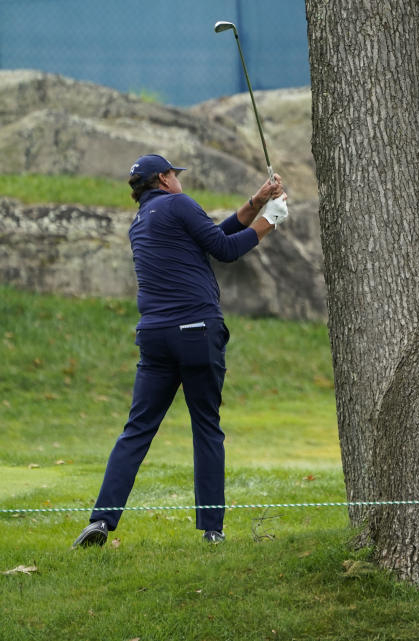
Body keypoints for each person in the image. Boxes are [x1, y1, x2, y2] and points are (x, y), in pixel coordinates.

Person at [72, 154, 287, 548]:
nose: (180, 181)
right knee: (206, 427)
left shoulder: (141, 222)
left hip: (154, 336)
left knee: (137, 429)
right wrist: (269, 221)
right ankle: (212, 530)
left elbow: (211, 235)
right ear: (165, 179)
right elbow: (225, 249)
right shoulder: (179, 204)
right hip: (196, 331)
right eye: (175, 174)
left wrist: (256, 203)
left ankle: (100, 521)